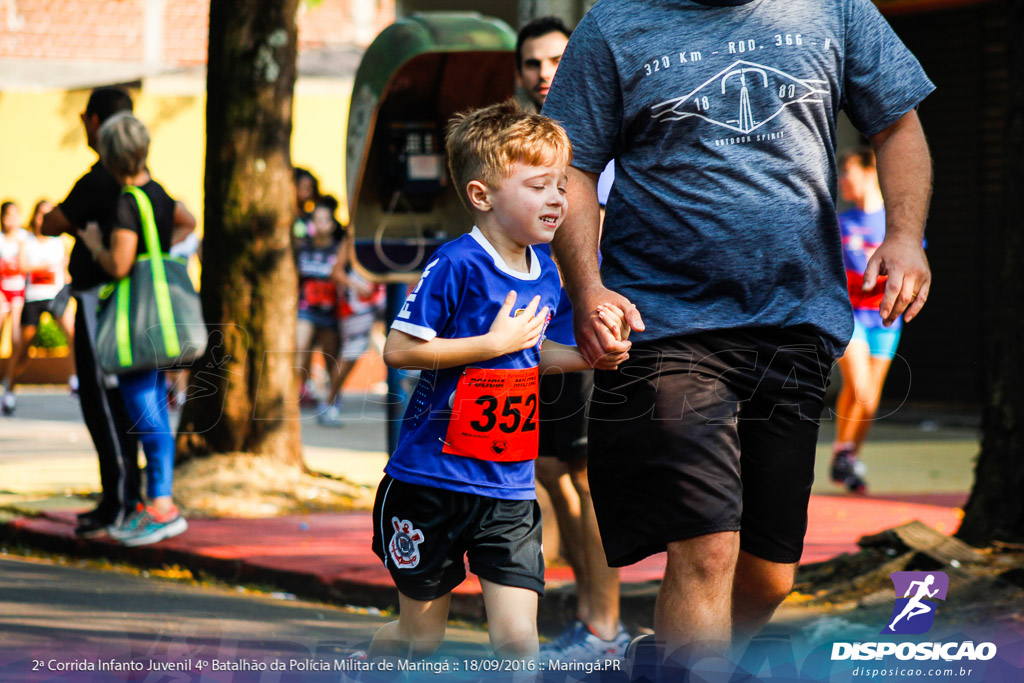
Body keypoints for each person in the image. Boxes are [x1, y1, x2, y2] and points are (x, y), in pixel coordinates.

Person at [542, 0, 934, 667]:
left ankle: (668, 666)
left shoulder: (835, 9)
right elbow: (571, 165)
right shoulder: (615, 22)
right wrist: (587, 288)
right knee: (707, 545)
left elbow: (897, 123)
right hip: (665, 324)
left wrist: (903, 236)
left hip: (796, 319)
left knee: (770, 571)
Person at [367, 100, 628, 661]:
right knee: (420, 637)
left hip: (508, 488)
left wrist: (590, 358)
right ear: (482, 196)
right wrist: (489, 346)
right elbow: (398, 349)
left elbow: (535, 354)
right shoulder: (457, 263)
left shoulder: (547, 274)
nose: (558, 198)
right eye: (540, 186)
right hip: (431, 480)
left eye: (562, 185)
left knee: (517, 643)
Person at [515, 15, 630, 660]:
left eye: (555, 59)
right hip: (537, 332)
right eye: (532, 63)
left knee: (589, 478)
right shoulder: (527, 144)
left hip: (589, 328)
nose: (543, 73)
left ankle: (606, 627)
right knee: (553, 469)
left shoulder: (599, 135)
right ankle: (590, 618)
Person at [76, 112, 196, 546]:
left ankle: (162, 505)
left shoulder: (127, 202)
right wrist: (161, 251)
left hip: (134, 323)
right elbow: (188, 221)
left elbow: (119, 265)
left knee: (143, 409)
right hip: (159, 318)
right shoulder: (158, 192)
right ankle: (157, 502)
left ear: (109, 156)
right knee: (155, 407)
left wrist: (94, 244)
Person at [42, 87, 142, 537]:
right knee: (128, 405)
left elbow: (50, 223)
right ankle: (127, 496)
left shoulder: (105, 181)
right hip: (130, 309)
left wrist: (99, 246)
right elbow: (184, 219)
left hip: (103, 307)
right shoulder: (146, 186)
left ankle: (121, 501)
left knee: (106, 403)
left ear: (99, 123)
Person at [831, 147, 910, 494]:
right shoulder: (840, 223)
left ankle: (847, 455)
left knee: (870, 400)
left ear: (870, 171)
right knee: (860, 387)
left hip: (885, 317)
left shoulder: (895, 226)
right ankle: (844, 454)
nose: (843, 180)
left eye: (848, 172)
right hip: (850, 315)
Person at [4, 201, 72, 412]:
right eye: (41, 214)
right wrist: (47, 266)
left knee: (73, 334)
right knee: (23, 345)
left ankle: (76, 380)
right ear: (35, 217)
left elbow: (66, 265)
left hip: (56, 295)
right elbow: (23, 265)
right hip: (33, 297)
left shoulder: (59, 241)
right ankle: (9, 388)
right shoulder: (28, 241)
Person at [295, 196, 344, 411]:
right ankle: (297, 391)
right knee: (299, 347)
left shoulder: (338, 250)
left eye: (324, 220)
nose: (319, 224)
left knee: (330, 358)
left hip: (331, 312)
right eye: (316, 219)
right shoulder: (302, 248)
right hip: (305, 309)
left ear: (332, 225)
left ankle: (332, 399)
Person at [0, 201, 29, 414]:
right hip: (2, 291)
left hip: (19, 293)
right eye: (8, 215)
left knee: (16, 340)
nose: (12, 220)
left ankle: (9, 386)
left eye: (16, 215)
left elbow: (27, 265)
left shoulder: (24, 238)